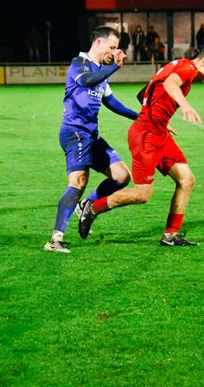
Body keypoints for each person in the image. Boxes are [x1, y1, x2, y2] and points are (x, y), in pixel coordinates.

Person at [78, 44, 204, 246]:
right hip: (146, 135)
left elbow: (144, 94)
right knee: (142, 194)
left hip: (158, 132)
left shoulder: (178, 65)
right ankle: (92, 208)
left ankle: (171, 235)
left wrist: (158, 117)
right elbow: (170, 84)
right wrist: (185, 106)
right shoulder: (189, 68)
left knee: (186, 180)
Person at [44, 26, 139, 253]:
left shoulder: (100, 72)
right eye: (112, 47)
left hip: (92, 136)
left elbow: (112, 103)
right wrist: (114, 67)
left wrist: (141, 117)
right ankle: (55, 239)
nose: (114, 53)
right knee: (78, 181)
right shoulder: (80, 64)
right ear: (98, 43)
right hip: (74, 132)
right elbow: (87, 81)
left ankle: (86, 205)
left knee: (122, 176)